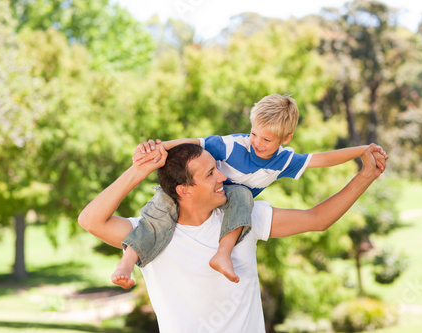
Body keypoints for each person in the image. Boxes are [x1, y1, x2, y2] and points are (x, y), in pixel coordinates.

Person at [78, 142, 386, 333]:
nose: (223, 177)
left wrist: (366, 175)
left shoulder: (241, 219)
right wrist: (140, 170)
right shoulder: (150, 231)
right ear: (184, 190)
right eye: (211, 174)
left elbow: (317, 220)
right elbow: (90, 220)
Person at [111, 94, 387, 289]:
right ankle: (127, 261)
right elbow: (192, 142)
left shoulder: (284, 161)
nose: (256, 142)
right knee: (158, 214)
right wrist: (158, 150)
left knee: (242, 195)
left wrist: (362, 151)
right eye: (254, 133)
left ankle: (223, 254)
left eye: (266, 139)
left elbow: (323, 158)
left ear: (285, 139)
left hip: (227, 201)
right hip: (193, 194)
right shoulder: (233, 145)